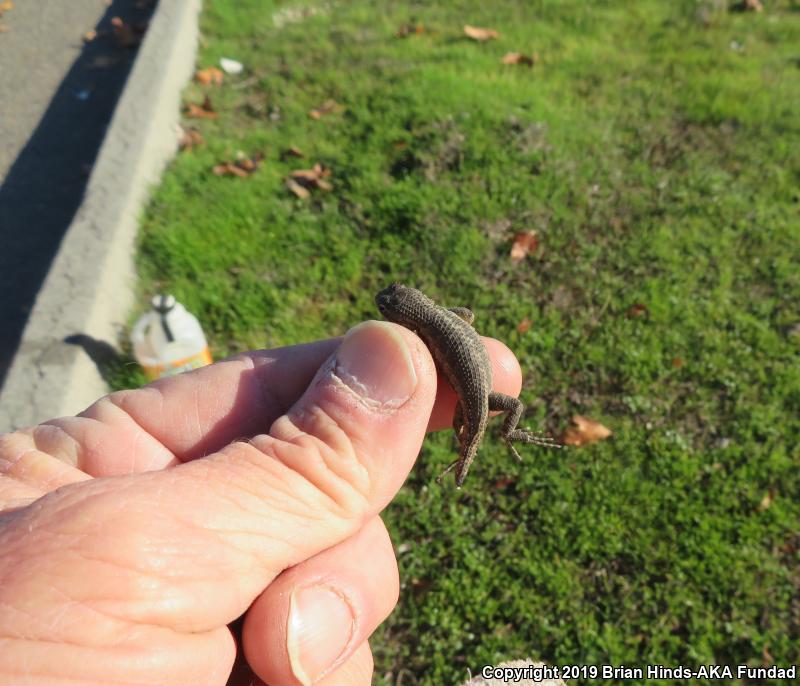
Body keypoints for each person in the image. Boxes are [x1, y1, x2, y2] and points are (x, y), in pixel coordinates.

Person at [0, 320, 522, 685]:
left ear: (409, 323)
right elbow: (460, 324)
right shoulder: (441, 325)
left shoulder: (424, 334)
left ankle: (479, 442)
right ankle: (504, 435)